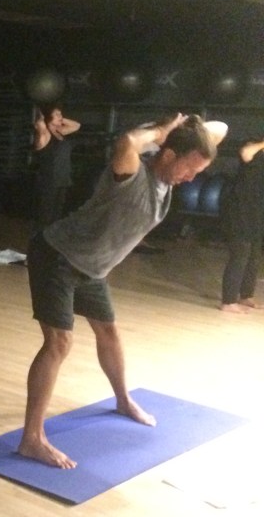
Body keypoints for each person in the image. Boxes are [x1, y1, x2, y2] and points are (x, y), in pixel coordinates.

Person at [21, 113, 227, 469]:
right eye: (189, 168)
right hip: (58, 256)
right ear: (167, 155)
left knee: (109, 333)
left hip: (93, 268)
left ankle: (122, 400)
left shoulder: (169, 175)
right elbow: (128, 142)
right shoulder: (130, 173)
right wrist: (161, 132)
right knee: (59, 343)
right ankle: (31, 439)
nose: (192, 178)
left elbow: (220, 129)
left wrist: (186, 126)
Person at [219, 136, 264, 313]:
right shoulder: (253, 147)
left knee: (254, 254)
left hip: (257, 212)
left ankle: (246, 295)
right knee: (240, 253)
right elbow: (245, 153)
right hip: (240, 208)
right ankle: (228, 301)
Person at [32, 103, 81, 230]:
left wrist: (59, 119)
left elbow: (77, 125)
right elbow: (39, 124)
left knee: (57, 215)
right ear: (48, 117)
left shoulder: (60, 132)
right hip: (49, 181)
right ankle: (39, 238)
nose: (61, 116)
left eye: (61, 114)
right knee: (46, 215)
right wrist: (44, 116)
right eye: (57, 114)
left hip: (63, 179)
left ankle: (50, 238)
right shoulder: (45, 135)